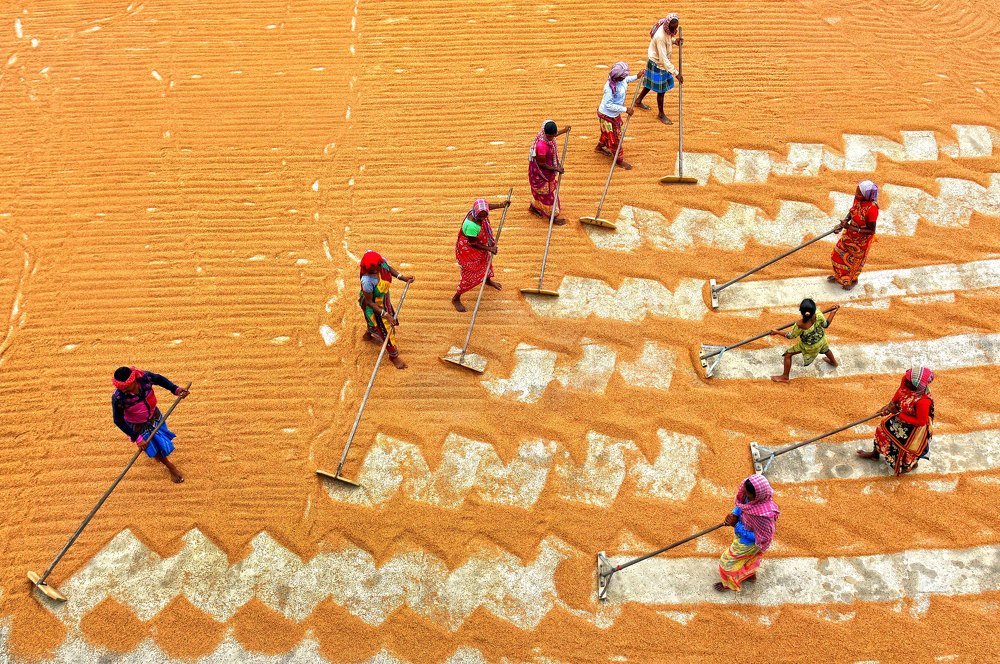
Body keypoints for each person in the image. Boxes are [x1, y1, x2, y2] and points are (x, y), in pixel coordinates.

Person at [111, 367, 189, 483]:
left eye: (126, 388)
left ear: (134, 381)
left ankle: (160, 456)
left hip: (155, 415)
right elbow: (118, 420)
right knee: (153, 446)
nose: (124, 391)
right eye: (121, 388)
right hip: (138, 426)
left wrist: (175, 389)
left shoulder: (145, 378)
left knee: (159, 440)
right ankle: (170, 466)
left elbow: (159, 379)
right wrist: (136, 437)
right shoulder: (118, 398)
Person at [858, 367, 935, 475]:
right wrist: (889, 406)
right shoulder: (907, 380)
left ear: (917, 386)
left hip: (913, 427)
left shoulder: (923, 401)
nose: (905, 381)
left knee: (905, 448)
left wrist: (898, 414)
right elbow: (900, 392)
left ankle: (909, 465)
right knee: (881, 431)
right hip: (901, 416)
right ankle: (875, 454)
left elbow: (921, 421)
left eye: (909, 382)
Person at [716, 473, 779, 592]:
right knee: (748, 559)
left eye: (747, 494)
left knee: (726, 562)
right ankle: (750, 575)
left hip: (748, 543)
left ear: (757, 496)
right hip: (742, 535)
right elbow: (742, 505)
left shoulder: (763, 517)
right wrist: (734, 514)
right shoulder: (751, 497)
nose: (744, 494)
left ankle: (729, 584)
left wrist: (737, 526)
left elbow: (761, 538)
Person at [358, 250, 415, 370]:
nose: (375, 271)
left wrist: (402, 278)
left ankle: (369, 334)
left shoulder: (381, 262)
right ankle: (393, 356)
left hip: (383, 301)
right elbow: (369, 302)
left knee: (375, 324)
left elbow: (388, 268)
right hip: (374, 307)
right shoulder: (367, 281)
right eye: (372, 270)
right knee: (386, 331)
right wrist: (386, 315)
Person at [453, 197, 510, 312]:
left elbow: (487, 207)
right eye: (481, 216)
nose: (484, 218)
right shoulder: (472, 225)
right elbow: (473, 243)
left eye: (485, 215)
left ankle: (488, 280)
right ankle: (456, 297)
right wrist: (489, 248)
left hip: (481, 247)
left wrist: (501, 204)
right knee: (469, 275)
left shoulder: (479, 212)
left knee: (486, 262)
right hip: (469, 252)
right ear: (475, 213)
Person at [769, 299, 840, 383]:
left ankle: (785, 376)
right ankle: (834, 362)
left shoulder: (800, 324)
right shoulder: (819, 314)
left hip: (809, 345)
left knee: (788, 354)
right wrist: (833, 312)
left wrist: (777, 332)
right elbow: (826, 325)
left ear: (801, 312)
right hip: (821, 339)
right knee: (825, 349)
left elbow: (791, 336)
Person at [830, 180, 879, 290]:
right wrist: (843, 223)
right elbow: (852, 211)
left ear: (866, 195)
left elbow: (871, 231)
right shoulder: (858, 199)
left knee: (853, 264)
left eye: (859, 192)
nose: (856, 194)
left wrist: (851, 228)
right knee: (836, 256)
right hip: (849, 235)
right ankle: (839, 276)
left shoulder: (872, 209)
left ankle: (852, 281)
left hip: (861, 241)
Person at [635, 14, 683, 125]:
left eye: (676, 28)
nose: (674, 30)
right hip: (658, 64)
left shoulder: (666, 28)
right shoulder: (660, 37)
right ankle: (661, 114)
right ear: (668, 26)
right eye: (673, 29)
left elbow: (668, 38)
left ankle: (638, 101)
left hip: (658, 61)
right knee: (661, 90)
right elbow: (663, 60)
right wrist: (676, 73)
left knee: (649, 83)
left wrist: (674, 41)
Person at [597, 62, 644, 170]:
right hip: (607, 115)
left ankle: (599, 147)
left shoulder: (620, 80)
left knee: (606, 132)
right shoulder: (609, 88)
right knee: (615, 139)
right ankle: (619, 160)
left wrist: (637, 76)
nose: (625, 77)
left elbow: (626, 80)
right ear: (618, 78)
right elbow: (608, 105)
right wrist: (625, 109)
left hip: (613, 115)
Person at [528, 120, 571, 224]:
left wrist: (564, 130)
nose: (552, 138)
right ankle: (553, 217)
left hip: (545, 172)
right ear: (545, 134)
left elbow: (554, 135)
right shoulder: (541, 146)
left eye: (553, 135)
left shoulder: (548, 138)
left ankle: (534, 207)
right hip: (541, 174)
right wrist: (557, 168)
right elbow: (542, 164)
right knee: (548, 195)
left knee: (541, 193)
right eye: (550, 136)